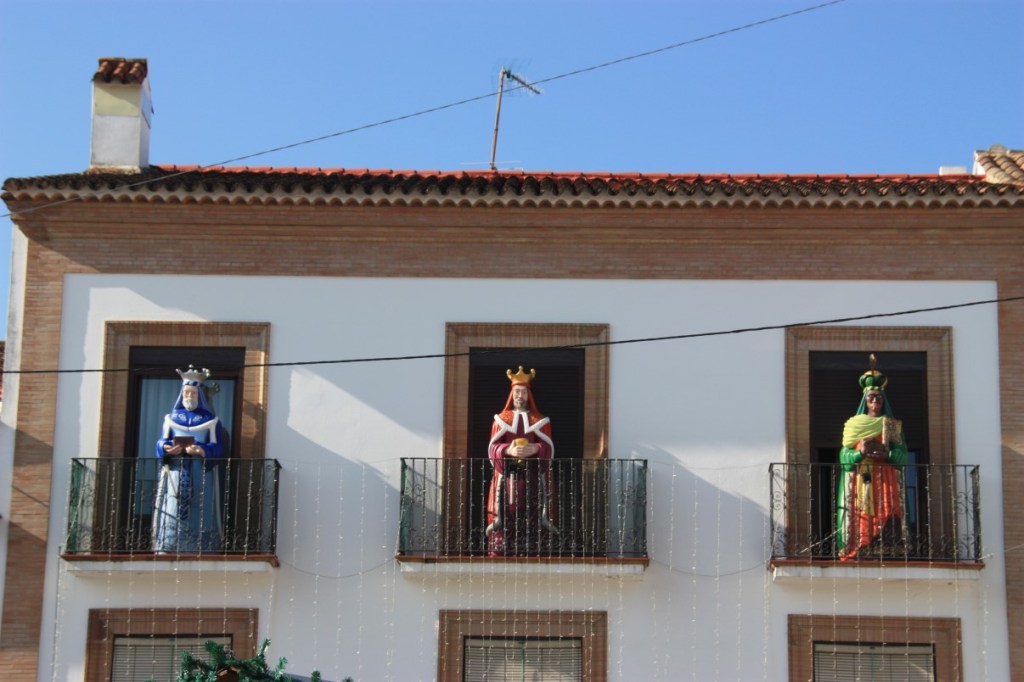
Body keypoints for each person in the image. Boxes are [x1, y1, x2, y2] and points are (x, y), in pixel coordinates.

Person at [835, 355, 908, 560]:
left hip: (886, 478)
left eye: (878, 397)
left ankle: (888, 546)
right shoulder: (854, 425)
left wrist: (888, 454)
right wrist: (860, 453)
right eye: (871, 397)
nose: (875, 400)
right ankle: (861, 545)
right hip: (862, 477)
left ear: (883, 401)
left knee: (887, 511)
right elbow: (844, 456)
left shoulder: (891, 425)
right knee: (863, 512)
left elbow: (903, 456)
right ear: (865, 400)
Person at [152, 365, 227, 553]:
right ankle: (169, 544)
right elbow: (161, 442)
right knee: (172, 503)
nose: (189, 396)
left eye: (193, 393)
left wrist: (201, 450)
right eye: (186, 393)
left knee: (201, 507)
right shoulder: (170, 419)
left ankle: (203, 545)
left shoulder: (211, 421)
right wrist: (166, 448)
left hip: (200, 475)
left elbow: (218, 447)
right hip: (176, 473)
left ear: (199, 395)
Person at [485, 366, 558, 556]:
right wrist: (508, 449)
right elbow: (493, 448)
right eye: (517, 392)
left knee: (532, 509)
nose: (520, 396)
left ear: (528, 395)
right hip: (508, 477)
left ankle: (534, 545)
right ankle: (503, 544)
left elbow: (548, 447)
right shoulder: (500, 420)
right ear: (512, 394)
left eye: (523, 392)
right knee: (507, 509)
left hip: (532, 476)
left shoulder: (540, 420)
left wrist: (536, 448)